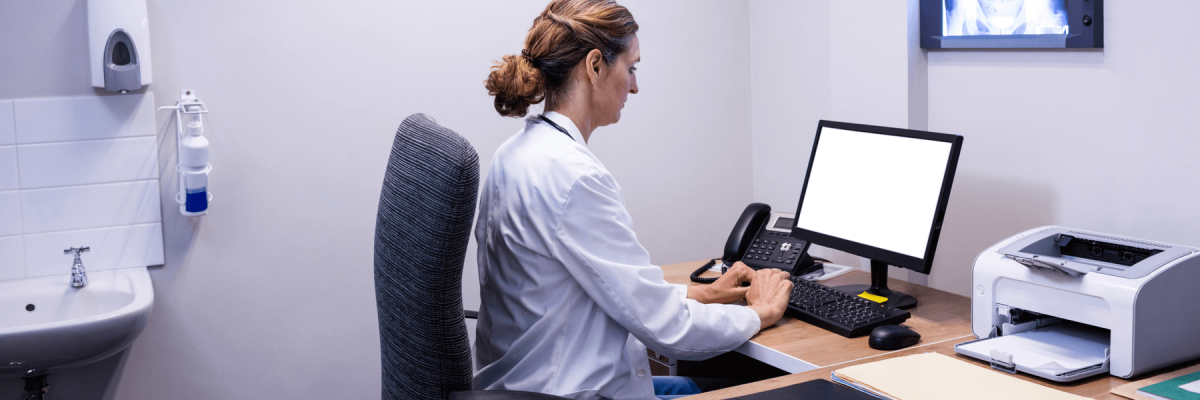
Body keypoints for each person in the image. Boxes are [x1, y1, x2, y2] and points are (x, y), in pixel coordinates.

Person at [474, 1, 794, 399]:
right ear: (595, 66)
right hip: (565, 391)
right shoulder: (576, 178)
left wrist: (707, 292)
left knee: (700, 385)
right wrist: (759, 312)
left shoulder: (515, 153)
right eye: (632, 68)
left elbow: (615, 289)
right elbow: (668, 328)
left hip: (525, 383)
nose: (635, 86)